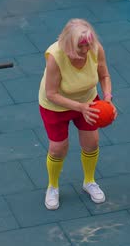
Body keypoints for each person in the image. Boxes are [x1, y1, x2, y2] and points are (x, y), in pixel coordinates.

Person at [38, 18, 116, 210]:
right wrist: (80, 107)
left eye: (88, 46)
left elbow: (104, 75)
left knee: (92, 143)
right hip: (56, 105)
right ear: (68, 45)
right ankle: (52, 186)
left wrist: (107, 97)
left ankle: (89, 181)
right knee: (58, 148)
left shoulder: (95, 48)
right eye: (80, 48)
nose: (85, 51)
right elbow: (51, 93)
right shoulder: (55, 56)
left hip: (88, 101)